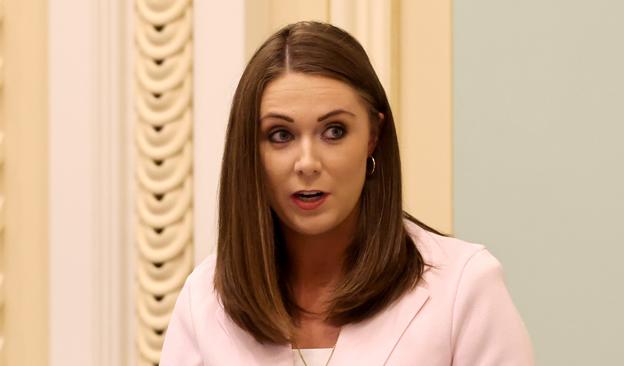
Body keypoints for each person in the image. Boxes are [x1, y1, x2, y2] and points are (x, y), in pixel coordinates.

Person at [160, 21, 534, 366]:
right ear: (250, 152)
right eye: (281, 135)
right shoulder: (204, 303)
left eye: (334, 131)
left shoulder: (464, 287)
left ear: (372, 137)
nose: (307, 162)